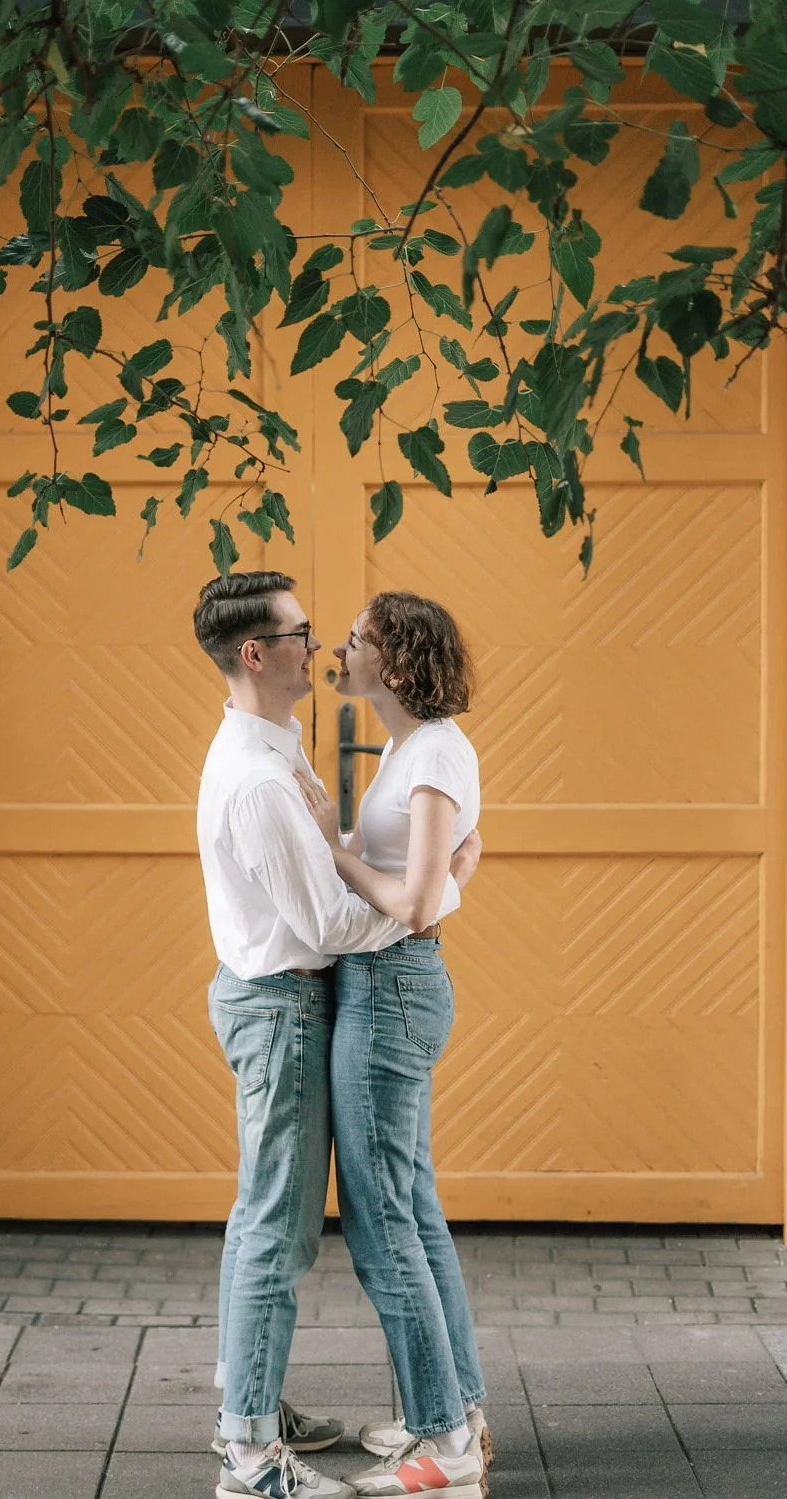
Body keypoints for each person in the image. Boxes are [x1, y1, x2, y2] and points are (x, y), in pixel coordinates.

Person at [192, 572, 482, 1499]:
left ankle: (441, 1426)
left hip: (348, 996)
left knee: (372, 1214)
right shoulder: (259, 777)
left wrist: (432, 894)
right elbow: (324, 925)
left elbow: (401, 867)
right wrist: (431, 905)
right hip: (285, 1000)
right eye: (305, 632)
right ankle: (250, 1448)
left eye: (336, 634)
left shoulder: (298, 745)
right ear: (255, 653)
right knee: (281, 1223)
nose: (320, 646)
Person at [296, 592, 490, 1499]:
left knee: (383, 1225)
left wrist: (326, 849)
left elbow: (413, 901)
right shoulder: (415, 749)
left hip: (393, 991)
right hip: (391, 983)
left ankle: (445, 1448)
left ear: (399, 662)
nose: (340, 649)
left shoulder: (438, 750)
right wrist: (340, 838)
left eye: (359, 641)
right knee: (412, 1207)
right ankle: (457, 1413)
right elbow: (451, 869)